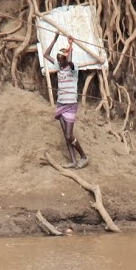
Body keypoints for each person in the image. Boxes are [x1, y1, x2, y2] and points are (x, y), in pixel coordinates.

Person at [45, 35, 88, 169]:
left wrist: (70, 45)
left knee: (69, 135)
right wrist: (55, 38)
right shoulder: (59, 67)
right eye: (58, 60)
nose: (59, 63)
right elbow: (46, 54)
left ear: (65, 59)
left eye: (61, 60)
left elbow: (69, 60)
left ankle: (84, 157)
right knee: (66, 135)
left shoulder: (73, 68)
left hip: (70, 106)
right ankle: (73, 161)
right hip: (61, 104)